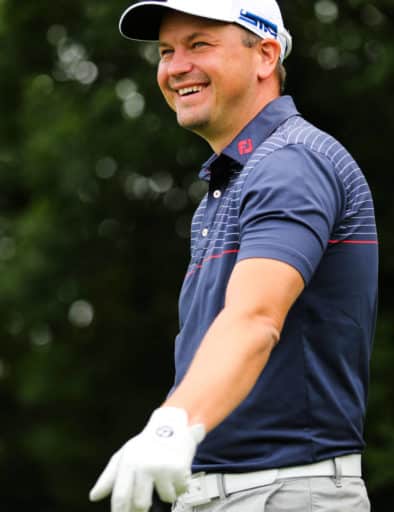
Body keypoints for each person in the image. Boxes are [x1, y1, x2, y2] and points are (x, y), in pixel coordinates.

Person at [89, 1, 378, 511]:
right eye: (166, 51)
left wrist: (171, 423)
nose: (176, 67)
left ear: (266, 55)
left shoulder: (292, 162)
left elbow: (255, 317)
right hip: (231, 489)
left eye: (199, 44)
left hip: (283, 491)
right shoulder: (234, 180)